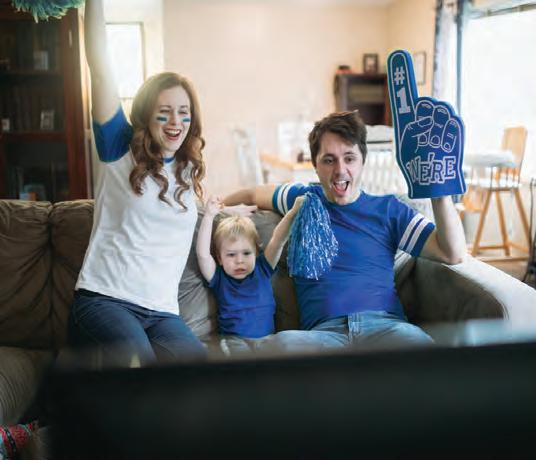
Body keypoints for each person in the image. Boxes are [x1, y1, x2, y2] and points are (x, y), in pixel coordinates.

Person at [68, 0, 255, 366]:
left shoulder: (185, 170)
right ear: (146, 116)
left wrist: (230, 209)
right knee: (141, 367)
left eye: (184, 113)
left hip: (161, 313)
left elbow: (180, 214)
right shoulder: (119, 146)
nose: (175, 123)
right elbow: (101, 69)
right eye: (164, 112)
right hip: (105, 300)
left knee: (199, 376)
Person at [223, 110, 467, 352]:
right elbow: (252, 194)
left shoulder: (389, 210)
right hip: (322, 336)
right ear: (315, 166)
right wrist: (217, 209)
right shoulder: (304, 200)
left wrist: (439, 192)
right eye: (329, 160)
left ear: (362, 161)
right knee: (280, 346)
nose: (340, 170)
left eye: (349, 158)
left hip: (386, 329)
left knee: (425, 351)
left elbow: (452, 253)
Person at [196, 195, 304, 355]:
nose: (239, 261)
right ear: (219, 258)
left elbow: (278, 240)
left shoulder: (263, 268)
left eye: (246, 253)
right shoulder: (219, 278)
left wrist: (294, 211)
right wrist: (209, 216)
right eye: (231, 255)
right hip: (234, 341)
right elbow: (203, 255)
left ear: (256, 253)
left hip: (267, 341)